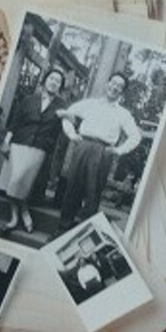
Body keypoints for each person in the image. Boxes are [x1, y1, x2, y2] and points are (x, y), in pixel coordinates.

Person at [55, 72, 141, 233]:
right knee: (72, 188)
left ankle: (83, 233)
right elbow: (67, 114)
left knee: (92, 193)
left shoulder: (123, 114)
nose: (115, 87)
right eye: (113, 83)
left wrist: (119, 150)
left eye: (119, 86)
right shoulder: (91, 104)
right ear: (107, 83)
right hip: (83, 146)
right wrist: (72, 134)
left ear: (122, 92)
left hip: (103, 152)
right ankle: (61, 229)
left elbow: (135, 136)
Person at [0, 68, 66, 233]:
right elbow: (15, 123)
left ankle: (22, 211)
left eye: (58, 81)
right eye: (52, 78)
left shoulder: (61, 106)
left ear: (60, 86)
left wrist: (67, 117)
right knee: (14, 180)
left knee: (22, 180)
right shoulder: (28, 100)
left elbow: (67, 126)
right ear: (45, 80)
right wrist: (6, 142)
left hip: (39, 148)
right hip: (19, 143)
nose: (54, 82)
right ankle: (18, 215)